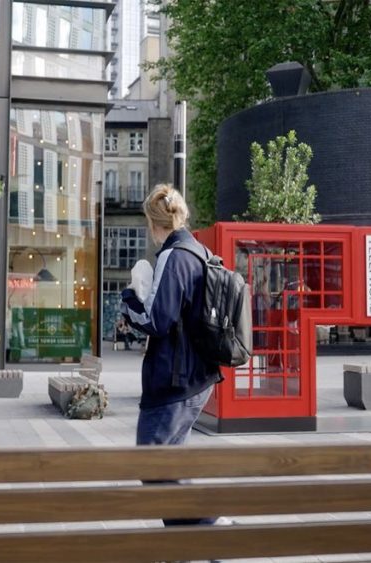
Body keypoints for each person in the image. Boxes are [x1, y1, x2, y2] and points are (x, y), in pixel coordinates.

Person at [119, 184, 227, 526]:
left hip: (173, 381)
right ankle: (189, 541)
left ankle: (211, 527)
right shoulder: (199, 251)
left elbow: (156, 320)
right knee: (170, 465)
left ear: (153, 224)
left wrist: (128, 301)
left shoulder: (172, 255)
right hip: (199, 377)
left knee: (152, 464)